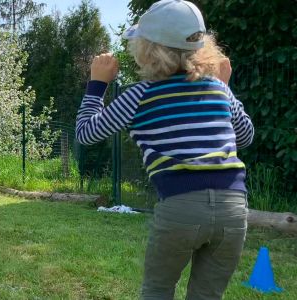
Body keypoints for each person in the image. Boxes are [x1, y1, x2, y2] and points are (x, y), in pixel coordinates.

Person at [74, 0, 254, 299]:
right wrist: (226, 87)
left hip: (180, 207)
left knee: (158, 289)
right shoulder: (218, 89)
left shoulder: (140, 95)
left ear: (147, 49)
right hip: (233, 210)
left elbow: (85, 133)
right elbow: (245, 137)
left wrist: (96, 84)